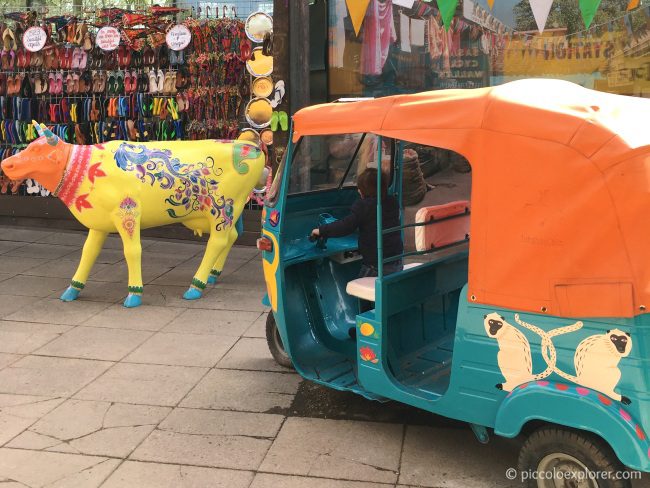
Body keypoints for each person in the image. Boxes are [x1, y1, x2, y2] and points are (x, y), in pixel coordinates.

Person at [311, 167, 404, 279]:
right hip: (396, 260)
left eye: (359, 188)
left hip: (375, 266)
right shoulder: (392, 202)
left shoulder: (364, 206)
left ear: (364, 190)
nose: (358, 190)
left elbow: (345, 226)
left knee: (363, 293)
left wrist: (321, 230)